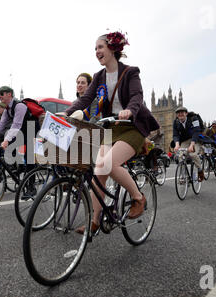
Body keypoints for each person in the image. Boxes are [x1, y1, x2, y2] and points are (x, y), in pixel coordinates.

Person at [63, 31, 160, 233]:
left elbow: (137, 96)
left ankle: (138, 198)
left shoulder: (131, 72)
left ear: (112, 49)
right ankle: (94, 221)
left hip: (132, 127)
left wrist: (129, 111)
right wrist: (68, 112)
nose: (97, 51)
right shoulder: (99, 77)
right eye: (95, 49)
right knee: (99, 171)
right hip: (111, 127)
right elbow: (85, 100)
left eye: (100, 47)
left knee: (108, 163)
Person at [0, 86, 37, 196]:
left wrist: (6, 140)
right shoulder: (7, 109)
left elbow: (16, 125)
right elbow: (1, 125)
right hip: (22, 130)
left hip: (31, 128)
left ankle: (32, 188)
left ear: (9, 94)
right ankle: (19, 166)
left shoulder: (20, 106)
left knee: (29, 157)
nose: (0, 96)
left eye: (2, 93)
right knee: (7, 146)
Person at [172, 106, 204, 181]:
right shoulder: (176, 122)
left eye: (182, 112)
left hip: (196, 139)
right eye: (178, 113)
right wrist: (177, 145)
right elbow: (175, 135)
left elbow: (196, 131)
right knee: (180, 155)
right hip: (185, 140)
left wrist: (192, 145)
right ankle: (183, 175)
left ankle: (200, 170)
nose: (180, 114)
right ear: (177, 115)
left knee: (192, 154)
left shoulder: (194, 118)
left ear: (186, 113)